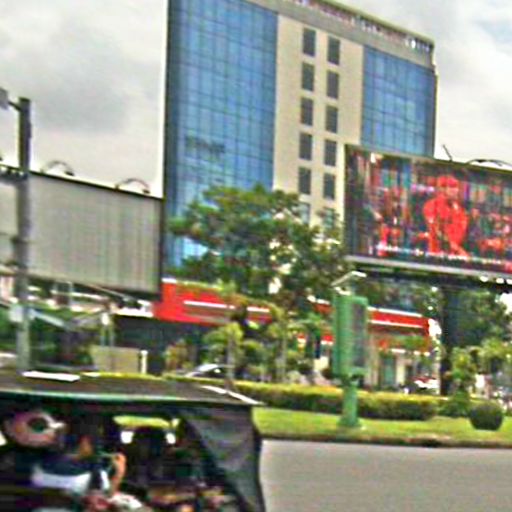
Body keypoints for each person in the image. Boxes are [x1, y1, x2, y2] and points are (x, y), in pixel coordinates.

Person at [32, 418, 126, 497]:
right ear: (85, 441)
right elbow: (106, 497)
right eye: (97, 439)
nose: (99, 444)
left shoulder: (38, 466)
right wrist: (120, 471)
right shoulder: (94, 476)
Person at [422, 175, 468, 257]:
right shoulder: (432, 205)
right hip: (435, 254)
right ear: (442, 189)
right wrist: (457, 249)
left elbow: (461, 233)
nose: (456, 190)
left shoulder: (460, 211)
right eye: (452, 187)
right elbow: (436, 230)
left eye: (456, 187)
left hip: (454, 256)